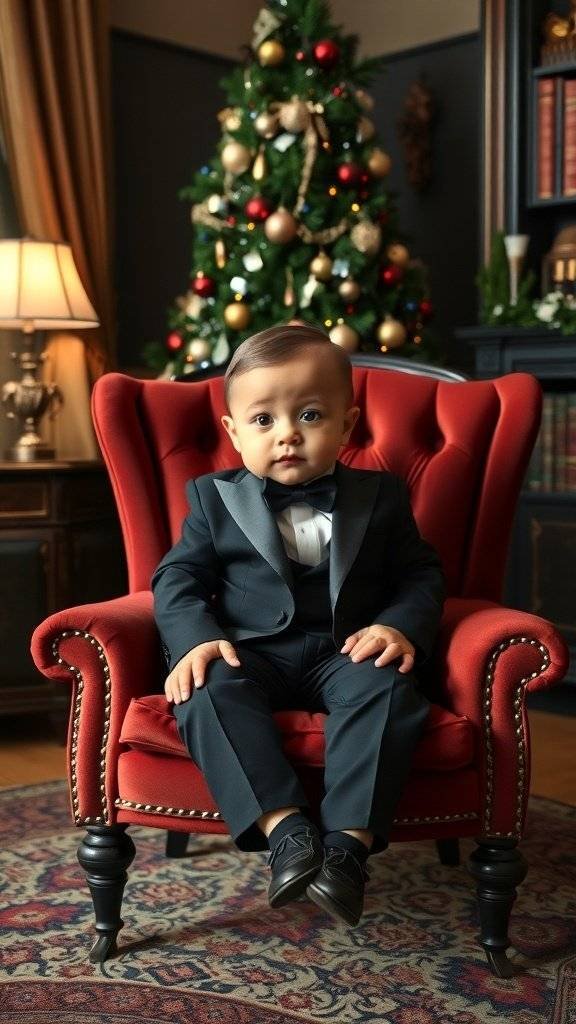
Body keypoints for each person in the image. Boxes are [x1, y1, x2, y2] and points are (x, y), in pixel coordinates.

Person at [152, 322, 445, 927]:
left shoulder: (381, 496)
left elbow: (420, 573)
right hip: (249, 652)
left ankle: (346, 850)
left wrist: (397, 626)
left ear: (347, 424)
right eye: (263, 420)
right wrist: (198, 640)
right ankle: (286, 832)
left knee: (388, 688)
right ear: (233, 432)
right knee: (206, 692)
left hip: (346, 650)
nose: (287, 433)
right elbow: (177, 577)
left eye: (310, 415)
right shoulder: (212, 497)